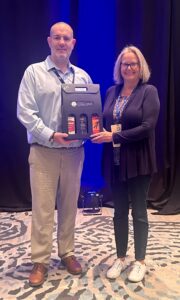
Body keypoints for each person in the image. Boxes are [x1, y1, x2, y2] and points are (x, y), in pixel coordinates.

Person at [17, 22, 92, 287]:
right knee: (43, 209)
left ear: (73, 43)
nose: (62, 42)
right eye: (57, 37)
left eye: (67, 38)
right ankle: (40, 260)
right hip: (44, 151)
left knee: (70, 208)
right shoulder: (34, 73)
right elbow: (25, 112)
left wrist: (92, 128)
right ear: (49, 41)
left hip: (74, 153)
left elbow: (89, 112)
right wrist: (50, 134)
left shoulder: (82, 77)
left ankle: (67, 253)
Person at [91, 45, 160, 282]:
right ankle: (121, 257)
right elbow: (105, 121)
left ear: (140, 68)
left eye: (133, 64)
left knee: (139, 213)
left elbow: (147, 127)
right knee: (118, 212)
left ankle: (139, 261)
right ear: (119, 67)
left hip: (139, 161)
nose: (128, 67)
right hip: (115, 161)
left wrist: (114, 136)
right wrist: (96, 132)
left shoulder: (149, 91)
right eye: (124, 64)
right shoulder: (112, 91)